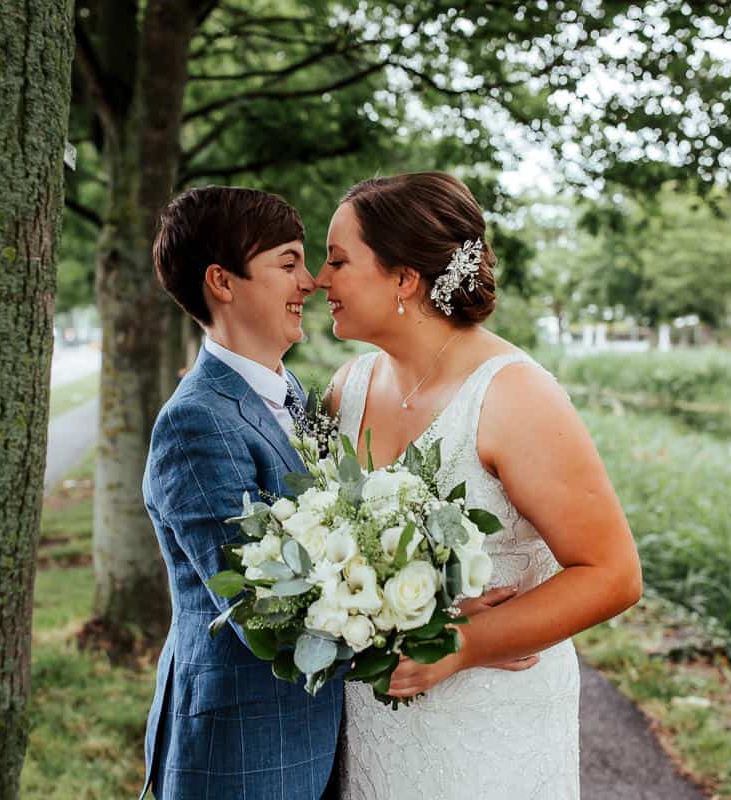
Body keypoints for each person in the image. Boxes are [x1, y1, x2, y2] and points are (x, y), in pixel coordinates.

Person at [315, 172, 643, 799]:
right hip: (373, 725)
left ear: (404, 278)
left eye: (338, 259)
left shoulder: (514, 396)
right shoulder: (346, 388)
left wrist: (462, 644)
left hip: (488, 729)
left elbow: (613, 573)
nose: (320, 279)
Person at [140, 187, 340, 800]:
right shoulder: (196, 422)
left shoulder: (296, 397)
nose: (309, 283)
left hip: (310, 738)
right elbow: (263, 608)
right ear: (222, 282)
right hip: (242, 750)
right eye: (287, 263)